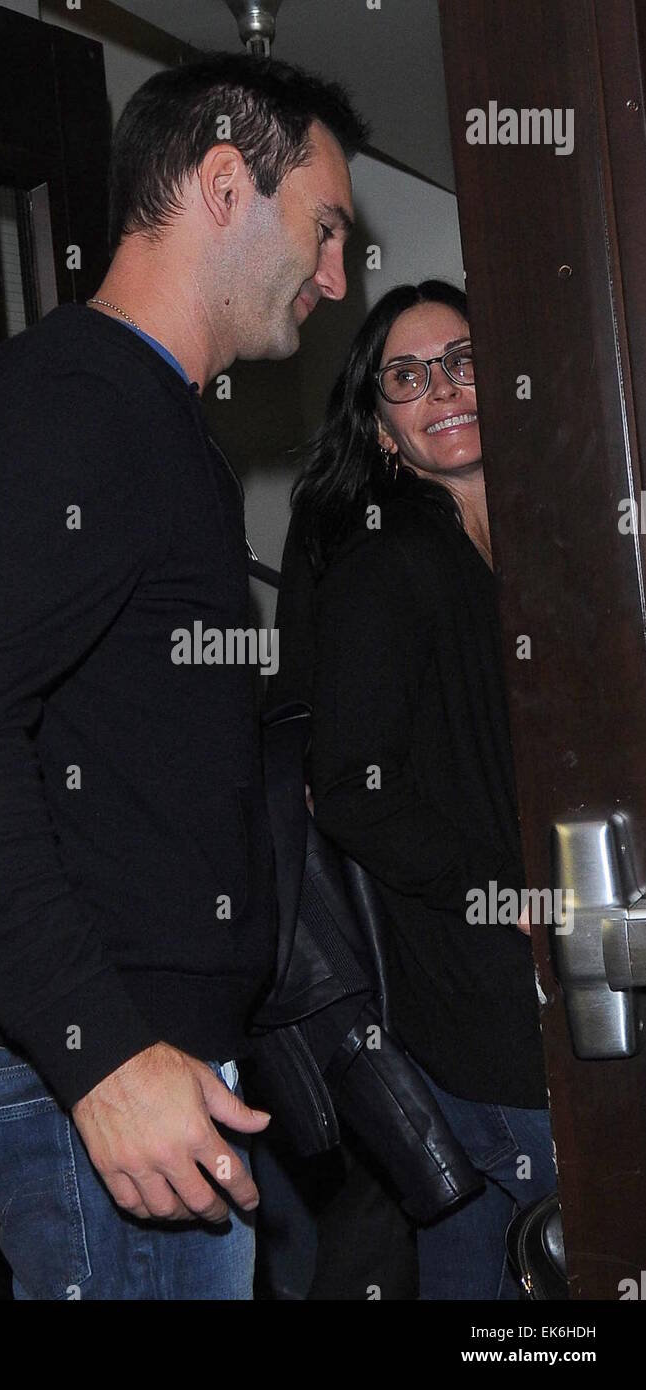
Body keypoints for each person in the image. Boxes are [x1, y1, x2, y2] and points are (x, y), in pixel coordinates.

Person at [0, 51, 366, 1301]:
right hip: (101, 1080)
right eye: (324, 230)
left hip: (150, 1063)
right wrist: (103, 1059)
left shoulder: (147, 421)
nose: (334, 277)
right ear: (223, 183)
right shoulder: (73, 407)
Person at [273, 280, 555, 1300]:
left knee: (474, 1251)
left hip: (539, 964)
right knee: (579, 1229)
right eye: (408, 373)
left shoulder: (540, 553)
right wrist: (504, 891)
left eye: (463, 358)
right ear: (384, 429)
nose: (442, 385)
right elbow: (349, 791)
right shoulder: (381, 568)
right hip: (476, 987)